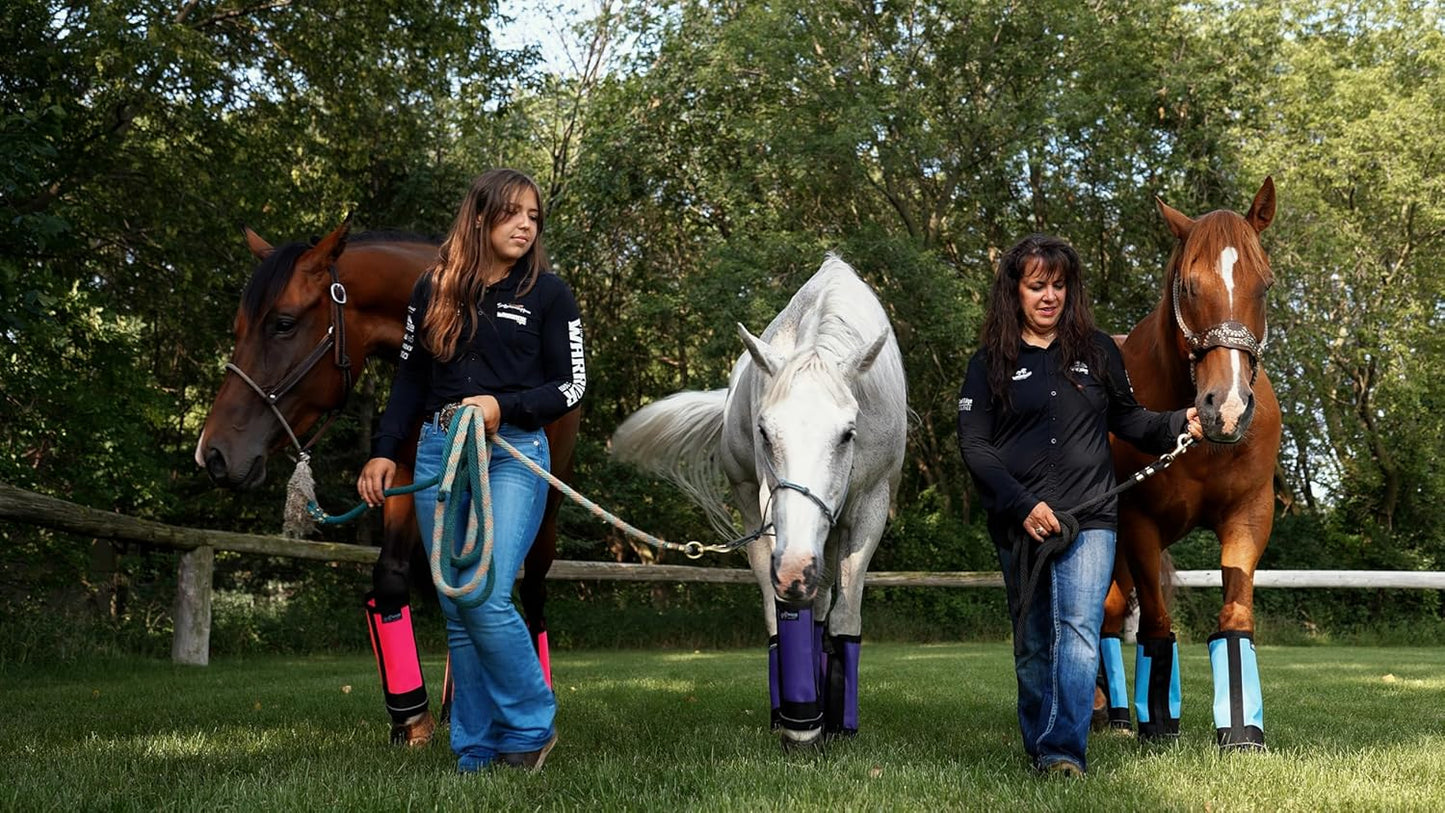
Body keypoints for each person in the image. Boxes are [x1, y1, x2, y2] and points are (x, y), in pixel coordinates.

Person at [358, 168, 586, 773]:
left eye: (533, 217)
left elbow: (572, 384)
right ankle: (476, 749)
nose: (525, 225)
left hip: (512, 454)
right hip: (439, 455)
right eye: (513, 213)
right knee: (457, 607)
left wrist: (501, 406)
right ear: (480, 217)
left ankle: (532, 725)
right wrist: (385, 449)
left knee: (484, 591)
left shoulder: (550, 294)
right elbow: (409, 377)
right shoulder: (432, 288)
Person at [955, 234, 1200, 777]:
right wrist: (1021, 505)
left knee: (1080, 631)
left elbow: (1132, 420)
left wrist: (1182, 420)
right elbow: (975, 446)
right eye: (1037, 285)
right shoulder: (988, 363)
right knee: (1034, 641)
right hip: (1020, 521)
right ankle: (1042, 742)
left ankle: (1063, 752)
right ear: (1014, 291)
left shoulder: (1098, 352)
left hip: (1090, 518)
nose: (1049, 296)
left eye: (1059, 285)